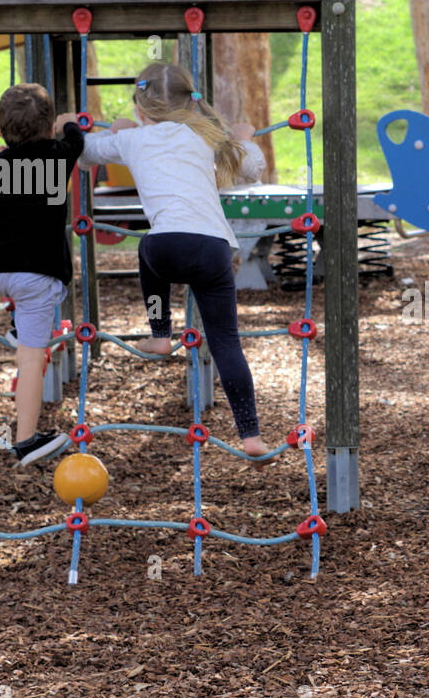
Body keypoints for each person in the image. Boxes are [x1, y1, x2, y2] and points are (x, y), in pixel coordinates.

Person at [60, 63, 274, 465]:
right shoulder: (206, 133)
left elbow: (84, 153)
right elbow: (253, 170)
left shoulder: (133, 140)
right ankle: (251, 435)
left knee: (146, 250)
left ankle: (160, 331)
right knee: (227, 343)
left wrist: (89, 128)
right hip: (214, 251)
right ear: (191, 103)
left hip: (164, 247)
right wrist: (244, 139)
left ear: (141, 109)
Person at [0, 82, 81, 466]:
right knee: (31, 357)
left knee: (25, 303)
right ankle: (24, 440)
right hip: (37, 275)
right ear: (48, 127)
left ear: (1, 128)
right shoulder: (61, 156)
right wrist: (69, 123)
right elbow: (75, 137)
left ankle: (15, 324)